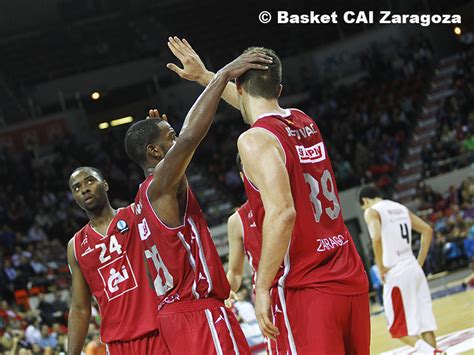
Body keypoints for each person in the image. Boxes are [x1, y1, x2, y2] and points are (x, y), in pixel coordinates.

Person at [166, 38, 370, 354]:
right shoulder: (304, 121)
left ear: (240, 88)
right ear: (279, 88)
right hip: (348, 273)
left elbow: (283, 212)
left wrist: (261, 287)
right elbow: (256, 104)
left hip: (305, 284)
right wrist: (206, 76)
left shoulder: (254, 140)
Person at [124, 47, 272, 354]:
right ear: (154, 153)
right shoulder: (161, 185)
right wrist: (222, 75)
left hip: (175, 317)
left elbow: (183, 146)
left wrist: (165, 138)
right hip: (197, 312)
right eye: (170, 137)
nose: (177, 141)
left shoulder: (145, 196)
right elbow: (192, 135)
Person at [67, 167, 163, 354]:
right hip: (118, 344)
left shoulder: (136, 214)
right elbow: (80, 308)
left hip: (158, 330)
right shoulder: (76, 246)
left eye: (89, 181)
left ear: (105, 185)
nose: (84, 189)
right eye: (76, 188)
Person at [359, 185, 442, 354]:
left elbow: (376, 237)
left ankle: (431, 352)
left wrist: (380, 266)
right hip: (413, 267)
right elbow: (427, 230)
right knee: (425, 324)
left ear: (365, 201)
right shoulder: (400, 208)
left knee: (396, 329)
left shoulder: (372, 211)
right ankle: (432, 351)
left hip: (396, 272)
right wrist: (419, 262)